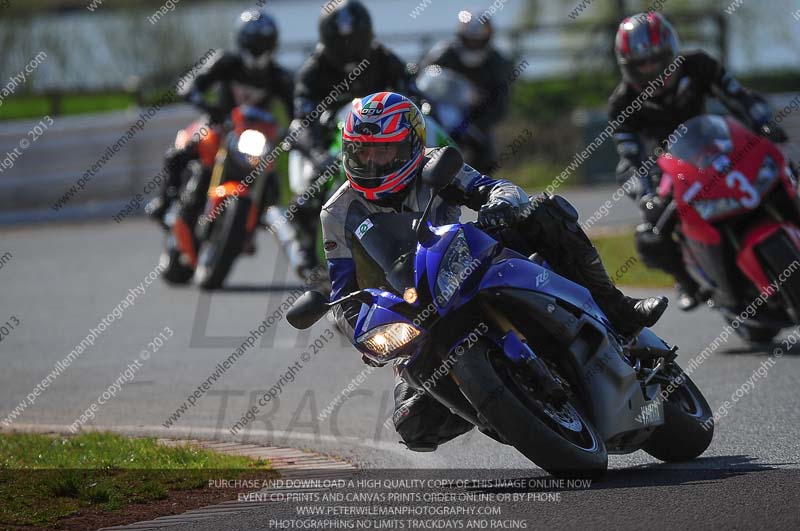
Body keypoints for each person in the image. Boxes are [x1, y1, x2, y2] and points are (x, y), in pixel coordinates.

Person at [321, 92, 668, 451]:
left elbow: (497, 188)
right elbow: (340, 295)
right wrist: (364, 335)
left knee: (543, 212)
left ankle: (617, 308)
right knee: (414, 425)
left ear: (411, 144)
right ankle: (505, 413)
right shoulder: (336, 213)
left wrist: (499, 206)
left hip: (464, 263)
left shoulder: (435, 165)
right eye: (363, 151)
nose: (373, 161)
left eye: (384, 150)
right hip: (413, 309)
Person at [610, 12, 788, 311]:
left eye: (657, 60)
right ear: (628, 67)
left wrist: (763, 122)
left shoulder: (698, 65)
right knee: (651, 231)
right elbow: (630, 156)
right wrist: (647, 196)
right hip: (666, 170)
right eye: (643, 64)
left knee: (782, 168)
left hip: (719, 145)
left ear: (671, 53)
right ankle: (687, 281)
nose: (651, 69)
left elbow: (739, 96)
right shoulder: (621, 103)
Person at [287, 0, 421, 278]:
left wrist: (420, 106)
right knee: (310, 189)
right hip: (329, 138)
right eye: (342, 42)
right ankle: (304, 246)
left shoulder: (382, 56)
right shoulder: (314, 69)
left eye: (355, 40)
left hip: (380, 136)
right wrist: (317, 152)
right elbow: (303, 113)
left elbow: (411, 90)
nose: (349, 47)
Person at [146, 9, 294, 222]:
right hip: (217, 126)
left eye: (263, 46)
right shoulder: (225, 62)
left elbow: (297, 113)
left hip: (253, 139)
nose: (257, 52)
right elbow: (190, 84)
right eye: (253, 45)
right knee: (180, 153)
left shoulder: (280, 77)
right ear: (242, 43)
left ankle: (255, 221)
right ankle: (164, 200)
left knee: (272, 181)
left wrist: (291, 132)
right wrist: (199, 100)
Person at [419, 9, 513, 173]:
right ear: (460, 36)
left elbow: (500, 103)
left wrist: (478, 125)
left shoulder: (497, 63)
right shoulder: (443, 53)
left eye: (477, 40)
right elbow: (422, 79)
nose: (472, 44)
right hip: (442, 110)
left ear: (487, 38)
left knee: (485, 151)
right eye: (468, 39)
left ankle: (483, 187)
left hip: (476, 117)